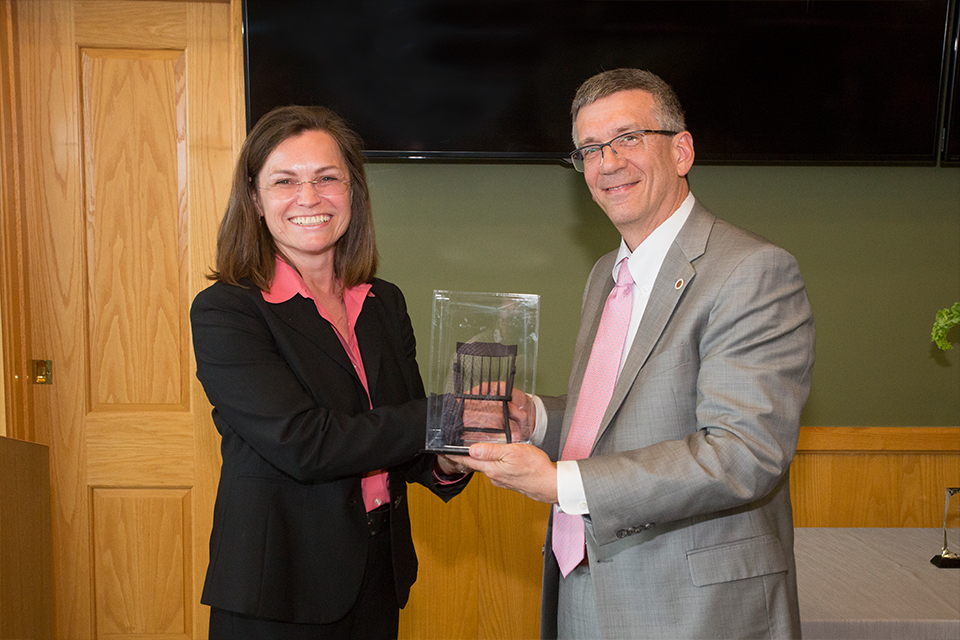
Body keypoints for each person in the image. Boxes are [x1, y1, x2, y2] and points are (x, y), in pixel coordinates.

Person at [456, 69, 816, 639]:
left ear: (682, 150)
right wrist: (538, 419)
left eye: (628, 138)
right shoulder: (607, 272)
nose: (607, 163)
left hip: (694, 610)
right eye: (590, 149)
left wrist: (562, 484)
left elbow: (743, 453)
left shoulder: (752, 271)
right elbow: (621, 412)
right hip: (583, 588)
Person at [190, 105, 469, 640]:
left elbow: (403, 440)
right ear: (255, 198)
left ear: (353, 192)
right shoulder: (227, 311)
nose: (309, 197)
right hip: (279, 592)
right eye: (284, 181)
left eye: (327, 178)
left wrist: (450, 456)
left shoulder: (384, 303)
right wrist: (440, 415)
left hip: (376, 579)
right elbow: (305, 443)